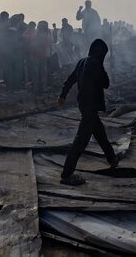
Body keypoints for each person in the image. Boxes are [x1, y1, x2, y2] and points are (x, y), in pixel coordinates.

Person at [57, 39, 119, 186]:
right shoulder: (96, 64)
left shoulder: (82, 62)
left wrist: (63, 95)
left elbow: (70, 79)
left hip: (84, 104)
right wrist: (105, 69)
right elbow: (106, 83)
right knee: (80, 141)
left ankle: (112, 159)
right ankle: (67, 175)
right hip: (91, 106)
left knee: (99, 133)